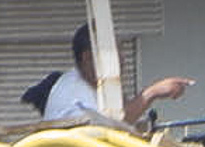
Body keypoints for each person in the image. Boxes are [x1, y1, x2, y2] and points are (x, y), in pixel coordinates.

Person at [41, 22, 195, 125]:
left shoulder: (95, 86)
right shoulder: (73, 91)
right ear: (87, 58)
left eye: (121, 51)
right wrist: (152, 93)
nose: (122, 60)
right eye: (114, 52)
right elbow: (114, 125)